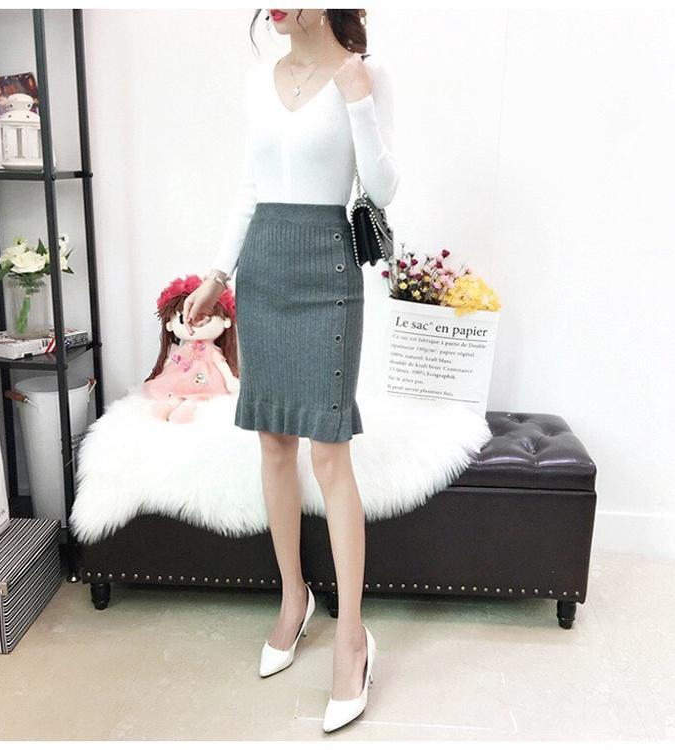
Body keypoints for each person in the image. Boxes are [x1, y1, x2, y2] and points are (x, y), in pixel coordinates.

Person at [183, 8, 399, 733]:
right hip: (264, 272)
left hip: (327, 272)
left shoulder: (363, 75)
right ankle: (292, 596)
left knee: (329, 453)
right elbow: (249, 188)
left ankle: (352, 638)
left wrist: (359, 99)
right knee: (273, 442)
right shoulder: (258, 81)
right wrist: (219, 273)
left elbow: (383, 189)